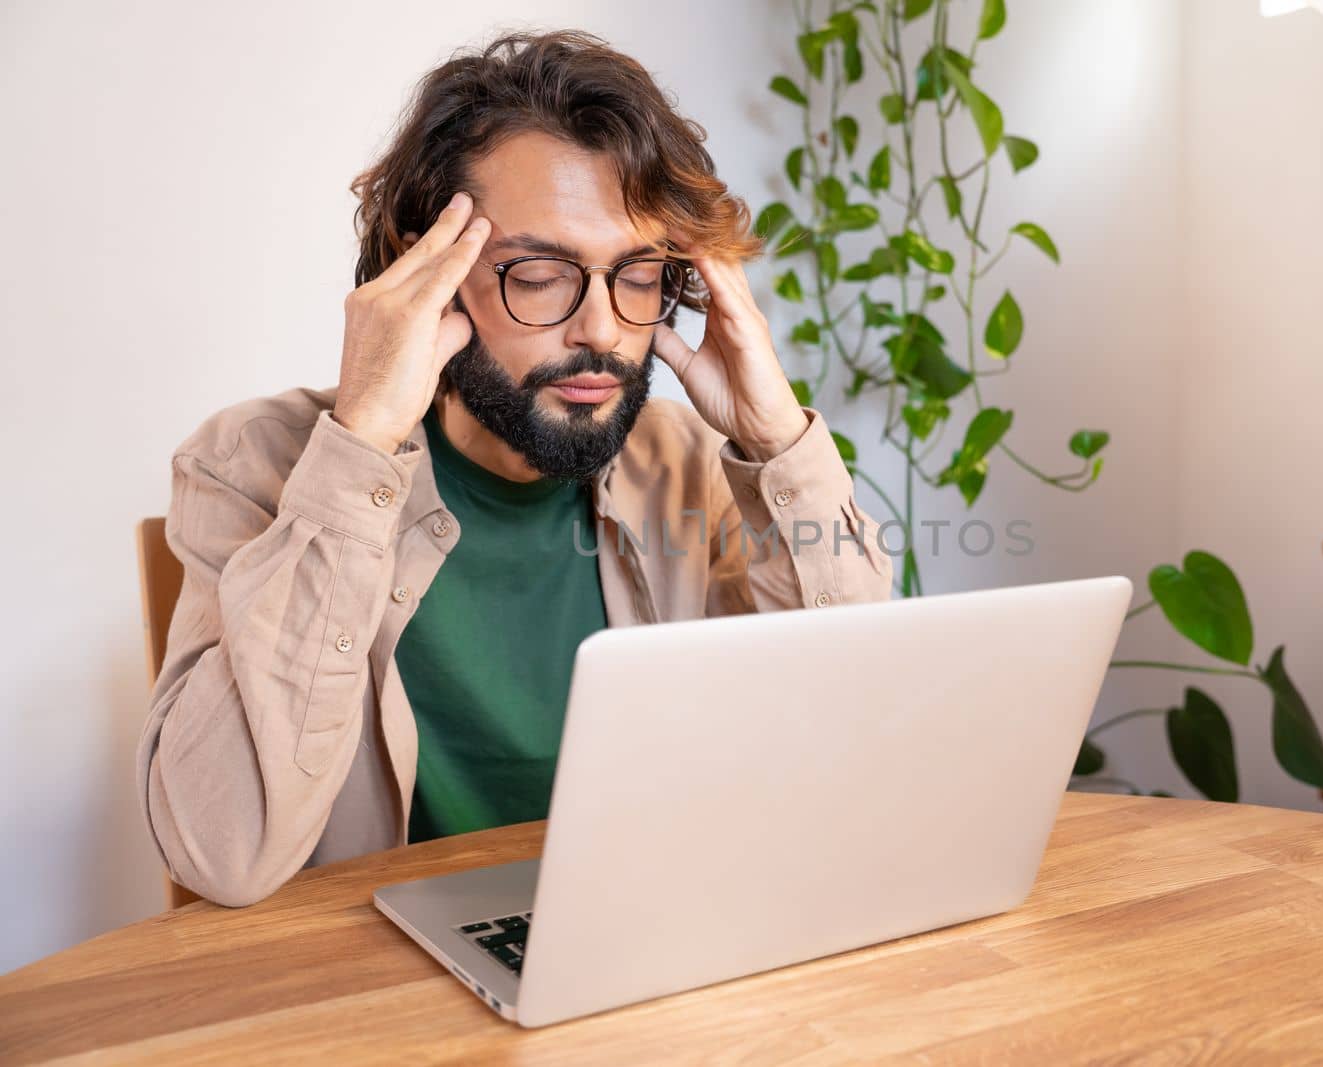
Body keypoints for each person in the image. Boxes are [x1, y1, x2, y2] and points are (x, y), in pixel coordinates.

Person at [135, 29, 893, 908]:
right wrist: (359, 442)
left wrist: (775, 444)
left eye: (638, 274)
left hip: (644, 943)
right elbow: (219, 854)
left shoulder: (692, 465)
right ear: (430, 272)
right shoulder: (252, 466)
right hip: (375, 998)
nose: (603, 331)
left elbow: (856, 747)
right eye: (541, 275)